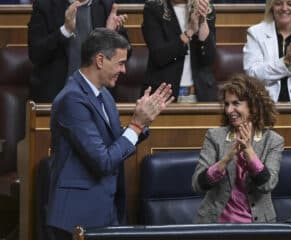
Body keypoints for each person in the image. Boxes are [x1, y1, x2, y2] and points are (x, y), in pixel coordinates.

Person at [46, 28, 174, 240]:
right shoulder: (72, 99)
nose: (124, 70)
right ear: (99, 60)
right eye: (120, 63)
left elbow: (114, 142)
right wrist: (135, 125)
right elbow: (102, 160)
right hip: (76, 218)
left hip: (106, 211)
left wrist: (141, 124)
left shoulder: (104, 95)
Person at [192, 73, 284, 223]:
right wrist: (226, 159)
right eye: (227, 104)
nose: (229, 110)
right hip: (216, 224)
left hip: (258, 227)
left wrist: (248, 151)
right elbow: (197, 184)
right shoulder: (214, 136)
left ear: (253, 106)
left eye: (236, 103)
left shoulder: (273, 141)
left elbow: (268, 184)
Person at [28, 0, 128, 102]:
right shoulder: (45, 5)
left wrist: (109, 35)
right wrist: (65, 31)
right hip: (56, 97)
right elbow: (35, 54)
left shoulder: (106, 5)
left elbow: (126, 55)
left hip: (98, 97)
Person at [243, 0, 291, 102]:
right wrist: (285, 62)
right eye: (278, 3)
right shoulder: (255, 33)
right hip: (264, 104)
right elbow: (252, 75)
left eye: (290, 4)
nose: (284, 8)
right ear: (271, 7)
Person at [141, 0, 218, 103]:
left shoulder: (205, 8)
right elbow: (159, 56)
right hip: (164, 96)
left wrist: (202, 22)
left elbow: (209, 58)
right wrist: (189, 32)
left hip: (199, 95)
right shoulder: (154, 8)